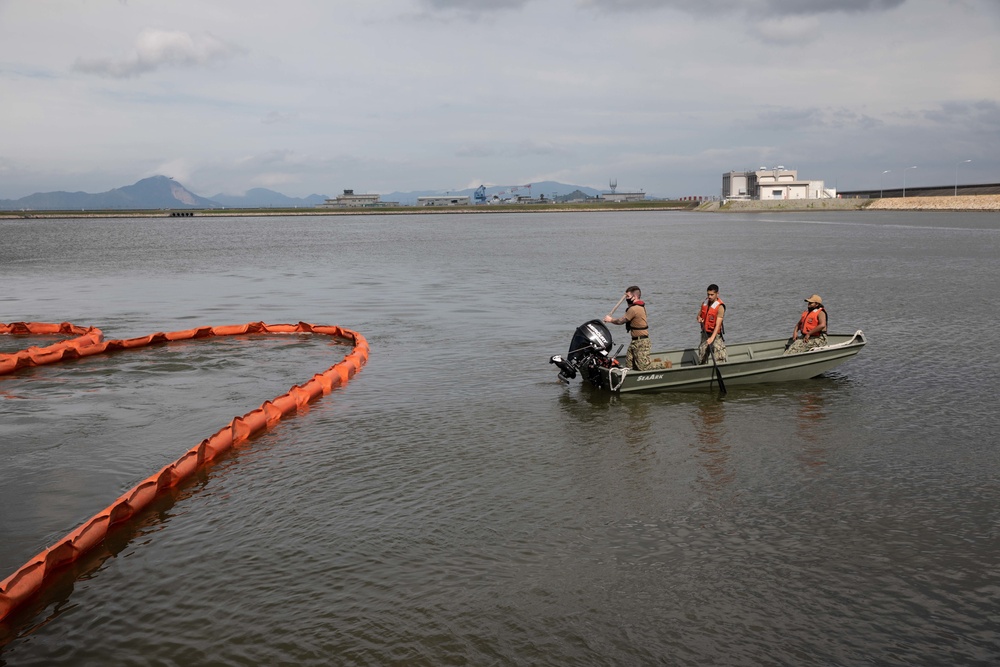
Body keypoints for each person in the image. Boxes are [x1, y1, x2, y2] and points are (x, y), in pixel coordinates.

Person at [603, 285, 651, 371]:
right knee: (629, 365)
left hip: (641, 342)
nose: (626, 299)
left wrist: (610, 320)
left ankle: (665, 365)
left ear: (635, 296)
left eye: (628, 296)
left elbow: (621, 321)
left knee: (644, 368)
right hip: (635, 341)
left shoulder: (635, 309)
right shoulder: (635, 307)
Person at [696, 284, 727, 364]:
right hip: (705, 334)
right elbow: (698, 316)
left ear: (717, 294)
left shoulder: (720, 307)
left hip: (716, 335)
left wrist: (712, 338)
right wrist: (699, 318)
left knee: (720, 356)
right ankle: (703, 369)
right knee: (702, 356)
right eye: (708, 294)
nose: (709, 297)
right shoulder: (705, 303)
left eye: (712, 295)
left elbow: (718, 325)